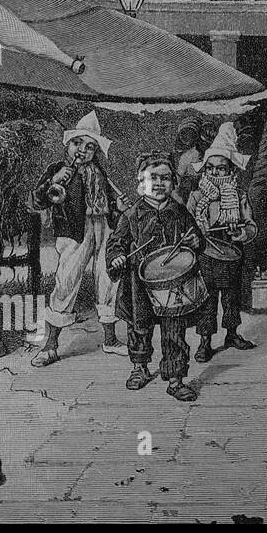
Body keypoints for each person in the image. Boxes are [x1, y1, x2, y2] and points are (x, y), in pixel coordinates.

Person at [29, 111, 130, 367]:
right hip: (75, 231)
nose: (82, 150)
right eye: (78, 144)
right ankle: (50, 346)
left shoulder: (100, 173)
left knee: (107, 278)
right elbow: (35, 201)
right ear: (68, 144)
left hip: (103, 227)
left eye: (90, 147)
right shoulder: (57, 169)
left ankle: (110, 341)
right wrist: (54, 181)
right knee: (66, 281)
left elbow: (111, 204)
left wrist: (118, 204)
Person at [107, 152, 205, 402]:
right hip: (138, 283)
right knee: (139, 327)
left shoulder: (180, 212)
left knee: (174, 331)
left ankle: (175, 379)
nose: (159, 183)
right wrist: (117, 257)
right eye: (153, 177)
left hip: (173, 283)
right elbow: (116, 243)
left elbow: (196, 238)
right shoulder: (131, 215)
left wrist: (196, 241)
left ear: (173, 182)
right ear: (141, 181)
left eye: (166, 178)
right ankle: (140, 368)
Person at [187, 123, 257, 362]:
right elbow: (186, 224)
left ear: (231, 171)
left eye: (221, 168)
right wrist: (195, 231)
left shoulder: (239, 196)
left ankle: (232, 334)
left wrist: (244, 234)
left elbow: (250, 224)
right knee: (206, 300)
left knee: (231, 297)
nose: (215, 173)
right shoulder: (197, 197)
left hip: (233, 253)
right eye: (211, 168)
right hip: (206, 255)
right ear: (205, 169)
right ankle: (205, 341)